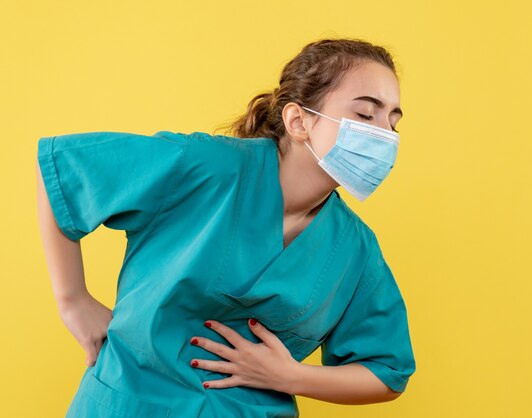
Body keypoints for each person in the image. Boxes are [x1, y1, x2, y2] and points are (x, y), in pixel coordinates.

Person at [36, 38, 416, 418]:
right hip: (129, 404)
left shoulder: (355, 248)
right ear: (299, 121)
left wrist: (291, 376)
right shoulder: (205, 167)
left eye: (393, 122)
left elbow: (387, 372)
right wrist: (73, 301)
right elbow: (64, 170)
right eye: (367, 115)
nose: (384, 135)